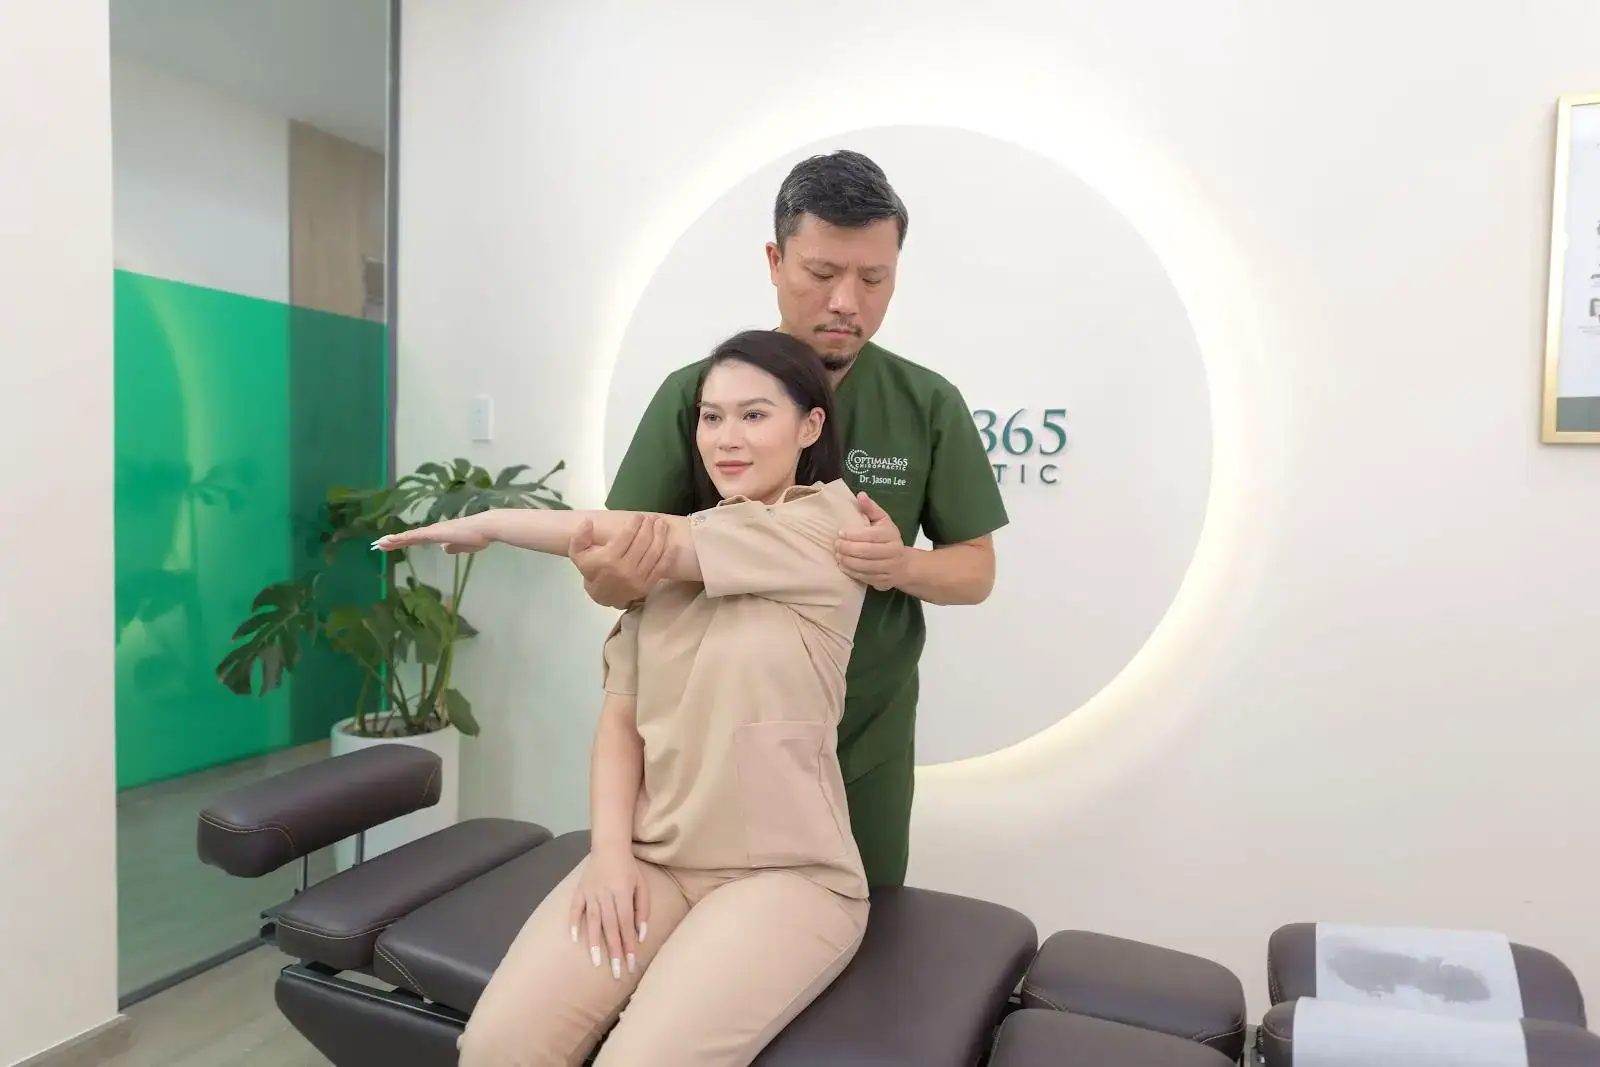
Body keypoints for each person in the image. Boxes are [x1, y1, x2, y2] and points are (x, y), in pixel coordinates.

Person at [375, 330, 873, 1067]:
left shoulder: (830, 528)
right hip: (655, 859)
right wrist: (610, 858)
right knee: (497, 1045)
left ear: (810, 426)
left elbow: (626, 533)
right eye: (711, 417)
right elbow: (620, 724)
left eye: (754, 415)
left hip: (785, 873)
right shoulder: (669, 561)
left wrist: (491, 523)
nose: (726, 438)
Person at [570, 149, 1008, 889]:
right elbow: (613, 576)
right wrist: (609, 577)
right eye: (822, 272)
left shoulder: (926, 403)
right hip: (704, 747)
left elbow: (975, 572)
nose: (847, 301)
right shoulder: (695, 396)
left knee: (863, 931)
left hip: (861, 737)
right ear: (775, 262)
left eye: (874, 279)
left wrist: (900, 564)